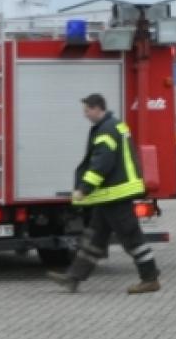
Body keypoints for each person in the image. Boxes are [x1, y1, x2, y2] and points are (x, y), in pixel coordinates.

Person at [48, 93, 161, 295]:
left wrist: (84, 188)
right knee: (94, 239)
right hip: (111, 196)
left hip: (115, 195)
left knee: (132, 238)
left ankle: (150, 278)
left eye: (86, 110)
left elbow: (102, 164)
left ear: (97, 108)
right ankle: (73, 277)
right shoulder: (115, 125)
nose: (85, 115)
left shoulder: (106, 130)